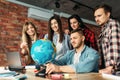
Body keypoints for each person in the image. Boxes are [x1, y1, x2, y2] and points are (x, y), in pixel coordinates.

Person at [94, 4, 120, 74]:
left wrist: (110, 67)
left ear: (108, 14)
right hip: (107, 69)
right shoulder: (103, 30)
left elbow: (115, 47)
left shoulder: (113, 24)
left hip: (115, 71)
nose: (96, 19)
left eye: (99, 16)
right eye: (95, 17)